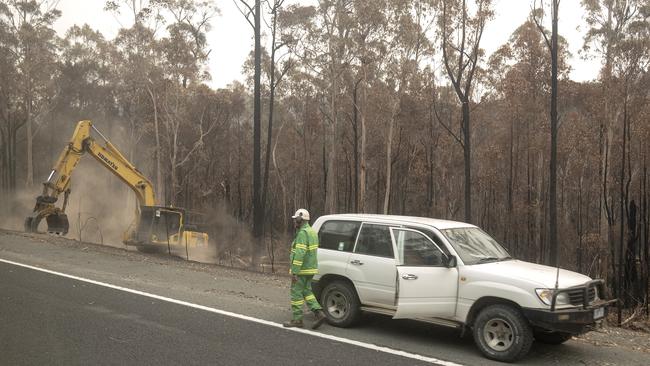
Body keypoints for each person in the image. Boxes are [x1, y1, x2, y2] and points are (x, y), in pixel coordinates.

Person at [283, 208, 326, 329]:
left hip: (301, 270)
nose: (294, 222)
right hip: (311, 269)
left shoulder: (302, 233)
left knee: (296, 293)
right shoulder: (312, 232)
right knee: (307, 291)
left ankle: (297, 320)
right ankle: (319, 312)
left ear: (299, 219)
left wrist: (295, 272)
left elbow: (300, 253)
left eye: (295, 220)